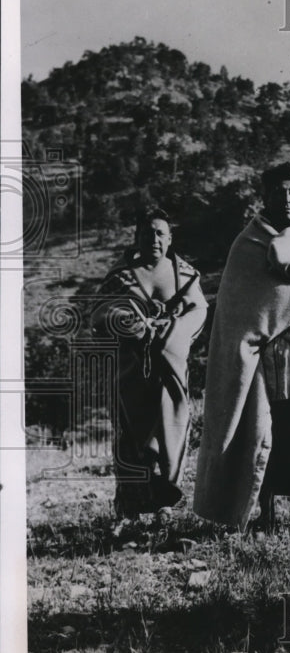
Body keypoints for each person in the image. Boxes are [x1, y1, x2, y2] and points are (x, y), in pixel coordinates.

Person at [193, 162, 290, 538]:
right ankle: (262, 513)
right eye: (279, 192)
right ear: (264, 198)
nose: (287, 199)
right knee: (260, 433)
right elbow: (236, 309)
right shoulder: (246, 245)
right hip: (260, 361)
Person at [92, 208, 208, 519]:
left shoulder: (185, 275)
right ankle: (130, 512)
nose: (153, 238)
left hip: (170, 370)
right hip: (131, 372)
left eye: (159, 233)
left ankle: (164, 506)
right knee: (132, 438)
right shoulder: (121, 277)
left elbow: (198, 312)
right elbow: (99, 314)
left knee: (171, 431)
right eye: (147, 233)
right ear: (136, 238)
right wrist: (130, 322)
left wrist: (172, 332)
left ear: (170, 239)